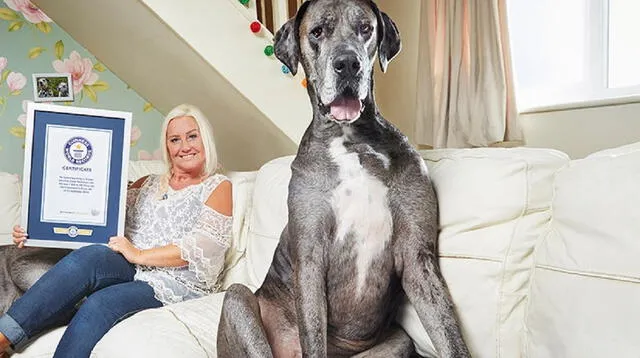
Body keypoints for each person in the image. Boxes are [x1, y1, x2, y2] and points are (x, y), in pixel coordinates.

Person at [0, 104, 233, 358]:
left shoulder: (217, 186)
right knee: (88, 257)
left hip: (174, 280)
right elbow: (96, 214)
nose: (185, 146)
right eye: (175, 139)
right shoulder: (149, 183)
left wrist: (139, 254)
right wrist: (35, 230)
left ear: (205, 139)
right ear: (167, 147)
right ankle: (3, 337)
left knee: (101, 303)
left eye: (192, 136)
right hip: (131, 266)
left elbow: (202, 246)